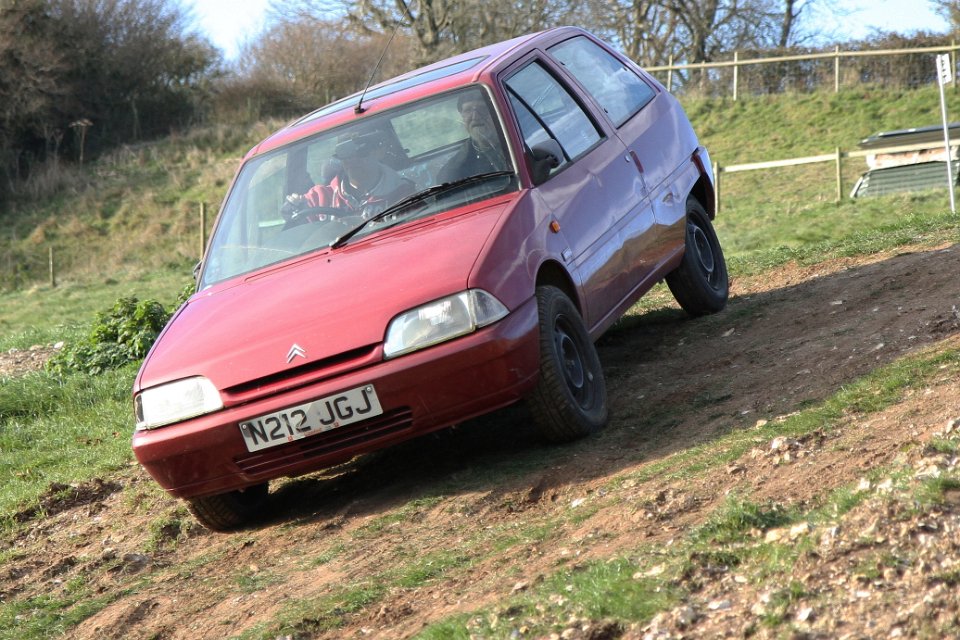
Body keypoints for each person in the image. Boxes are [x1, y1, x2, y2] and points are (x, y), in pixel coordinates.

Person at [282, 129, 415, 225]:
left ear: (379, 151)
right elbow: (295, 233)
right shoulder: (318, 198)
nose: (352, 159)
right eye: (344, 151)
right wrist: (292, 207)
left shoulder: (403, 194)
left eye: (361, 150)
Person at [436, 93, 509, 184]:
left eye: (482, 109)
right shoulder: (453, 172)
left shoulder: (517, 145)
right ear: (462, 117)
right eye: (468, 110)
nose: (475, 117)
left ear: (496, 112)